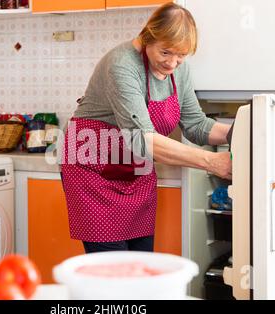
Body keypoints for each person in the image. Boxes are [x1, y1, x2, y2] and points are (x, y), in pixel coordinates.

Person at [60, 2, 232, 254]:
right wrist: (211, 161)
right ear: (147, 37)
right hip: (92, 174)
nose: (173, 63)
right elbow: (142, 139)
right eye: (165, 53)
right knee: (113, 273)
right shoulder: (122, 65)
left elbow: (196, 124)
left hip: (135, 173)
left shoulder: (178, 70)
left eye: (181, 56)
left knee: (141, 264)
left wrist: (240, 132)